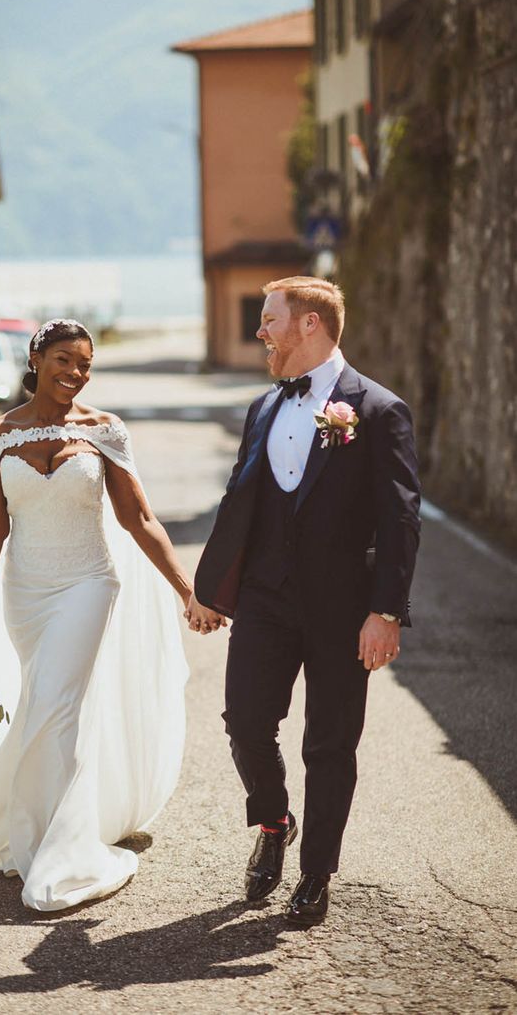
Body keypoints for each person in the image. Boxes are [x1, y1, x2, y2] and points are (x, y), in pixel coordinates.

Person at [0, 319, 197, 912]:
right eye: (65, 359)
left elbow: (140, 520)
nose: (76, 373)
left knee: (58, 706)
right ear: (36, 359)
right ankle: (9, 815)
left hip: (90, 582)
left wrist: (186, 590)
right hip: (26, 592)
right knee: (45, 705)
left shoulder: (105, 430)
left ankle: (59, 852)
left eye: (86, 364)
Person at [186, 277, 420, 926]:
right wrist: (209, 591)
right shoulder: (264, 406)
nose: (260, 331)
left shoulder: (377, 410)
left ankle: (316, 874)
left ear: (309, 324)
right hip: (265, 596)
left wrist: (387, 611)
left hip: (344, 608)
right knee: (244, 719)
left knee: (330, 744)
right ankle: (273, 819)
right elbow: (240, 502)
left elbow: (401, 521)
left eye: (269, 320)